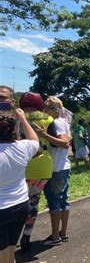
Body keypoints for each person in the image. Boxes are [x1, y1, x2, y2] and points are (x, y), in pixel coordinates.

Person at [0, 108, 40, 263]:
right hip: (20, 205)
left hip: (1, 209)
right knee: (10, 255)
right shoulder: (23, 147)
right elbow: (35, 139)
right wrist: (23, 119)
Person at [18, 92, 54, 252]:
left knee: (14, 202)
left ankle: (10, 235)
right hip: (43, 165)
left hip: (20, 164)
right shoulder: (48, 119)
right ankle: (26, 236)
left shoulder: (15, 117)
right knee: (33, 201)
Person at [40, 97, 72, 246]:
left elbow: (64, 144)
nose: (43, 111)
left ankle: (55, 237)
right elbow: (68, 139)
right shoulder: (65, 122)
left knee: (54, 203)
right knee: (63, 201)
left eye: (46, 107)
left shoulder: (56, 123)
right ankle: (63, 233)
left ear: (52, 109)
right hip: (63, 167)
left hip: (56, 168)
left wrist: (43, 135)